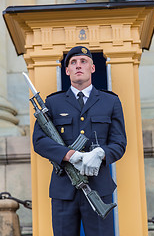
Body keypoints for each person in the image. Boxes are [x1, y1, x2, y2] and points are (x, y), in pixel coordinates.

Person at [33, 46, 127, 236]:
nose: (78, 66)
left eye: (83, 61)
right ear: (66, 71)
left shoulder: (111, 102)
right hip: (63, 190)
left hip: (98, 187)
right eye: (73, 63)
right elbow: (39, 140)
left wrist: (100, 154)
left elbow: (119, 143)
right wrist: (70, 155)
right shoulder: (52, 103)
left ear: (92, 68)